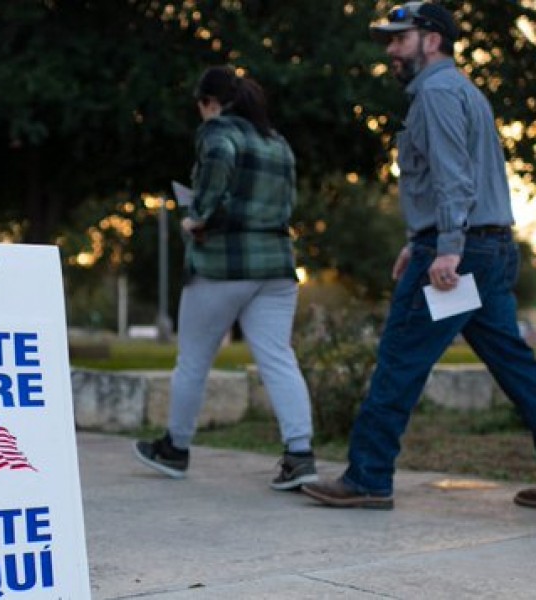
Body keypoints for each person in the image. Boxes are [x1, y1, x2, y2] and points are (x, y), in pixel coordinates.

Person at [301, 1, 536, 510]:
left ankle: (367, 477)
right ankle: (368, 474)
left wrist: (445, 248)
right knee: (516, 365)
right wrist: (417, 241)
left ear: (432, 40)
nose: (390, 49)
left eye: (399, 38)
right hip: (489, 247)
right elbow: (455, 177)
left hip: (461, 251)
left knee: (400, 360)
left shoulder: (436, 93)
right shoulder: (465, 91)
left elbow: (454, 176)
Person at [132, 65, 317, 490]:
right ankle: (300, 455)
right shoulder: (278, 141)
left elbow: (217, 172)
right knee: (277, 357)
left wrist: (197, 218)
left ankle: (175, 449)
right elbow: (285, 202)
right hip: (276, 266)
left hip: (223, 266)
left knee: (193, 361)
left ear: (209, 102)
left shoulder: (218, 133)